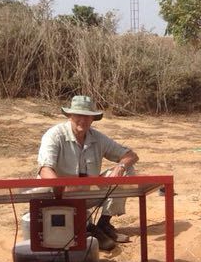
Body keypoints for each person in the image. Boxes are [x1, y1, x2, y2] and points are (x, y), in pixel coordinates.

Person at [37, 95, 139, 251]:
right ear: (70, 115)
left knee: (128, 170)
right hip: (58, 195)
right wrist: (61, 190)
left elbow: (131, 155)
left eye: (87, 116)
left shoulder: (98, 138)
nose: (82, 120)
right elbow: (45, 169)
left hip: (87, 192)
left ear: (93, 119)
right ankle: (85, 227)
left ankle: (104, 224)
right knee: (46, 193)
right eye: (78, 115)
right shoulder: (54, 135)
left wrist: (120, 168)